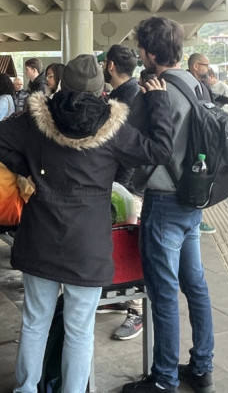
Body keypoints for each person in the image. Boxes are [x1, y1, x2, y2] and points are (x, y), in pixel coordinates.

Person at [0, 54, 173, 393]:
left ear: (62, 83)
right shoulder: (113, 129)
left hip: (40, 234)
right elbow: (160, 150)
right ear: (101, 89)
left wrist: (27, 169)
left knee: (35, 322)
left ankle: (26, 389)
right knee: (79, 329)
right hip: (88, 243)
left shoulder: (35, 121)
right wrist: (158, 102)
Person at [122, 17, 215, 393]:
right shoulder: (198, 85)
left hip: (164, 202)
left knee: (162, 294)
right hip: (194, 199)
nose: (141, 55)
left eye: (142, 49)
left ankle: (163, 380)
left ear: (150, 53)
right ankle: (202, 366)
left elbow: (139, 151)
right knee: (196, 285)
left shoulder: (155, 91)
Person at [102, 44, 144, 342]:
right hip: (121, 180)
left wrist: (121, 186)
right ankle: (122, 297)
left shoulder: (128, 97)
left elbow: (128, 147)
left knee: (126, 241)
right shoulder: (128, 92)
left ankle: (137, 310)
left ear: (110, 65)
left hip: (124, 182)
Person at [186, 53, 217, 235]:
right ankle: (196, 218)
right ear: (196, 66)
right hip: (196, 141)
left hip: (202, 139)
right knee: (198, 181)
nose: (208, 68)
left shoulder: (199, 85)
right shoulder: (192, 85)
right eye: (205, 65)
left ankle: (197, 216)